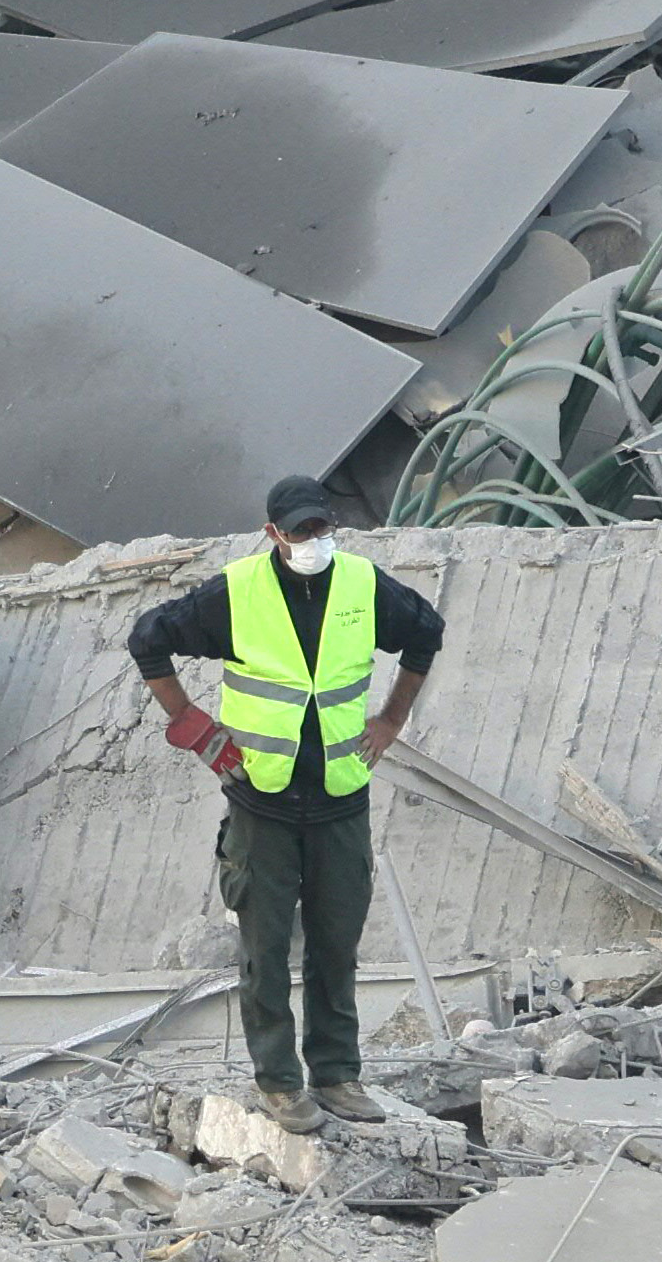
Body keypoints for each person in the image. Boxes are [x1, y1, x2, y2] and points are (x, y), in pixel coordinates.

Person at [128, 476, 442, 1126]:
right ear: (273, 533)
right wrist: (194, 726)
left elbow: (426, 633)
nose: (313, 541)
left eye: (321, 528)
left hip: (339, 799)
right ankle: (278, 1082)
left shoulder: (361, 583)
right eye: (300, 531)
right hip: (261, 802)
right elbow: (148, 640)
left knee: (336, 945)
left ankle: (337, 1075)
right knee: (265, 951)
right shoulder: (237, 592)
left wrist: (390, 721)